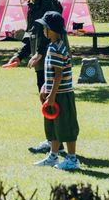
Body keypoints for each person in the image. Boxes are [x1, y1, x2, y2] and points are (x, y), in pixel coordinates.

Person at [6, 0, 66, 154]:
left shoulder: (48, 2)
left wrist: (40, 52)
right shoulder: (32, 6)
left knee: (55, 98)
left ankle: (58, 142)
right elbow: (30, 34)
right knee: (45, 98)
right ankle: (53, 140)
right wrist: (19, 56)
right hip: (40, 61)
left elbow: (53, 31)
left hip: (53, 59)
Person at [32, 11, 80, 170]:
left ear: (50, 29)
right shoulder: (54, 46)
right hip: (54, 93)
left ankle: (72, 159)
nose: (43, 30)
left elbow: (58, 75)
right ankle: (53, 156)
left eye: (44, 27)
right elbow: (52, 73)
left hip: (61, 95)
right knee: (54, 126)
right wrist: (45, 87)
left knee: (66, 126)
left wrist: (51, 96)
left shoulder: (55, 48)